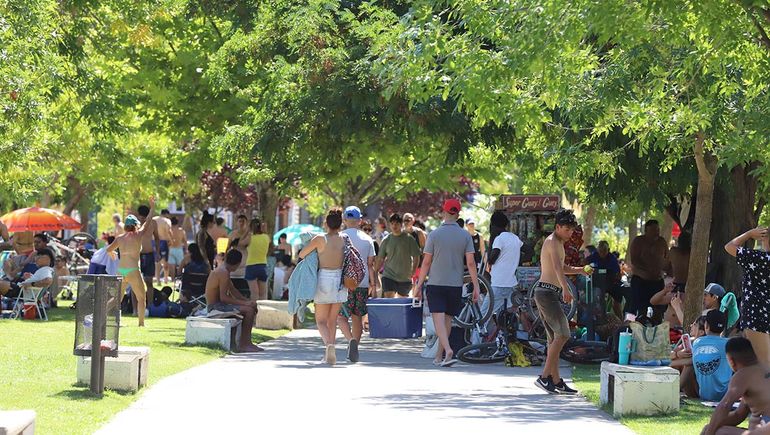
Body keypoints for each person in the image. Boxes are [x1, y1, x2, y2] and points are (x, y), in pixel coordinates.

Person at [413, 199, 480, 368]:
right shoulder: (465, 235)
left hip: (436, 283)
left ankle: (448, 350)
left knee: (438, 320)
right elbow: (471, 263)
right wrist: (476, 285)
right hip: (455, 285)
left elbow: (426, 262)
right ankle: (439, 356)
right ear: (458, 214)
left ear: (444, 212)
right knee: (448, 320)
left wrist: (419, 284)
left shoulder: (434, 234)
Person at [533, 209, 589, 394]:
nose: (570, 233)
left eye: (572, 229)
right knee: (563, 334)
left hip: (549, 293)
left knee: (554, 339)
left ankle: (556, 380)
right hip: (546, 293)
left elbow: (562, 267)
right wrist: (566, 288)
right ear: (557, 227)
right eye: (567, 229)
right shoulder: (552, 241)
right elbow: (557, 268)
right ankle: (544, 377)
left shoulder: (558, 243)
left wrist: (580, 270)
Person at [298, 208, 348, 365]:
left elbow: (301, 254)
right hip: (340, 280)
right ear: (340, 224)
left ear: (326, 223)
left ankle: (329, 346)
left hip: (324, 278)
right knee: (332, 320)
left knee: (320, 321)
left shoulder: (320, 239)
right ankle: (328, 353)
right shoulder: (344, 239)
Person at [701, 337, 770, 435]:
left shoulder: (743, 375)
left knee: (718, 432)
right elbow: (738, 415)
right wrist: (712, 425)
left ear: (731, 361)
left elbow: (724, 405)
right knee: (711, 428)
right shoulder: (764, 368)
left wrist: (710, 431)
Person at [106, 197, 155, 327]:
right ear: (135, 225)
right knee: (141, 298)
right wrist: (152, 207)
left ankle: (101, 316)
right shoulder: (138, 235)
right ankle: (141, 324)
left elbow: (108, 249)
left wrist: (112, 254)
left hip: (121, 270)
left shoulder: (120, 238)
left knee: (117, 299)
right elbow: (148, 220)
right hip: (133, 270)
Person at [337, 206, 377, 363]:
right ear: (360, 221)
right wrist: (373, 285)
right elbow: (370, 265)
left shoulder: (340, 237)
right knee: (357, 318)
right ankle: (355, 347)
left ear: (345, 220)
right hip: (363, 283)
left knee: (341, 317)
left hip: (344, 283)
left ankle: (350, 340)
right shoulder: (368, 239)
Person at [725, 226, 770, 364]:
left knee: (764, 365)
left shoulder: (759, 259)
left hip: (757, 318)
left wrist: (749, 234)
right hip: (761, 316)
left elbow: (729, 246)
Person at [204, 249, 263, 353]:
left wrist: (248, 301)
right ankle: (244, 344)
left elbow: (233, 291)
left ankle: (246, 342)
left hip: (220, 305)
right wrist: (246, 303)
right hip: (215, 307)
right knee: (249, 311)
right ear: (238, 264)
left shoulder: (224, 270)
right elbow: (224, 298)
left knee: (250, 308)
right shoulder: (223, 272)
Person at [679, 310, 732, 401]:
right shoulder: (729, 343)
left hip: (704, 395)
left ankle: (674, 391)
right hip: (725, 396)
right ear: (723, 328)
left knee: (690, 365)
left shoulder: (697, 342)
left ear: (706, 326)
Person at [484, 212, 523, 329]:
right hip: (512, 285)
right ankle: (502, 339)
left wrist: (491, 240)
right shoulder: (515, 238)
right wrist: (515, 260)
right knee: (504, 318)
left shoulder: (499, 239)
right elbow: (529, 251)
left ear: (493, 225)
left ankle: (476, 341)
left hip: (498, 284)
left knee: (483, 316)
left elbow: (491, 259)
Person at [629, 219, 669, 320]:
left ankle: (657, 325)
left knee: (659, 311)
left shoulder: (662, 242)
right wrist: (647, 269)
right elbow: (634, 260)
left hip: (657, 281)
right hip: (641, 281)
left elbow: (667, 258)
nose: (656, 233)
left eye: (657, 230)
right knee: (640, 310)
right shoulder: (638, 241)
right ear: (646, 231)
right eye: (653, 230)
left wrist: (666, 270)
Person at [376, 213, 421, 298]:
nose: (394, 226)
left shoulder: (409, 239)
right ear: (389, 225)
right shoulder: (386, 240)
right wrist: (375, 272)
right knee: (389, 301)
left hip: (405, 277)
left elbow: (416, 256)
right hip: (389, 276)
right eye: (392, 223)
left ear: (401, 224)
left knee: (401, 302)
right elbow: (380, 258)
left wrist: (413, 271)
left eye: (396, 223)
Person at [587, 240, 628, 317]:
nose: (602, 253)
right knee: (596, 296)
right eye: (600, 251)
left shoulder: (612, 258)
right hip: (597, 283)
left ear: (608, 250)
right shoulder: (593, 257)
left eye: (604, 251)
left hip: (611, 282)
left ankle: (621, 319)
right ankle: (597, 317)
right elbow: (585, 265)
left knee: (619, 297)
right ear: (597, 250)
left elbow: (617, 274)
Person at [137, 203, 160, 310]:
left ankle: (150, 305)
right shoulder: (136, 224)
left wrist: (158, 252)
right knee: (136, 282)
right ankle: (136, 307)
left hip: (149, 254)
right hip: (138, 255)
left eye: (144, 217)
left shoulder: (153, 223)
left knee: (149, 281)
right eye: (140, 216)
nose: (142, 219)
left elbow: (157, 238)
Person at [243, 218, 271, 301]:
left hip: (251, 266)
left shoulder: (249, 238)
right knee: (263, 293)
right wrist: (264, 230)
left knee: (254, 293)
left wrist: (246, 232)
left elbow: (240, 243)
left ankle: (254, 308)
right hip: (263, 265)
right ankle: (264, 308)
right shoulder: (266, 237)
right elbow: (269, 241)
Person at [153, 209, 173, 284]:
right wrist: (171, 240)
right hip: (163, 242)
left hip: (154, 241)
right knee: (165, 262)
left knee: (157, 262)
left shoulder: (153, 219)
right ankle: (166, 280)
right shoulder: (166, 221)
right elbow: (168, 231)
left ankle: (158, 280)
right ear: (166, 214)